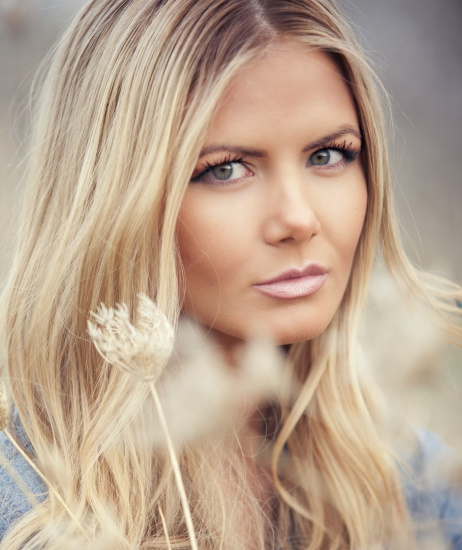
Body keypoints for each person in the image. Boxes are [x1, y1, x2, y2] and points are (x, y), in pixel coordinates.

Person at [0, 0, 461, 548]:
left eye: (329, 155)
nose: (298, 218)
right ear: (116, 199)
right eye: (225, 169)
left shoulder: (406, 482)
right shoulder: (25, 501)